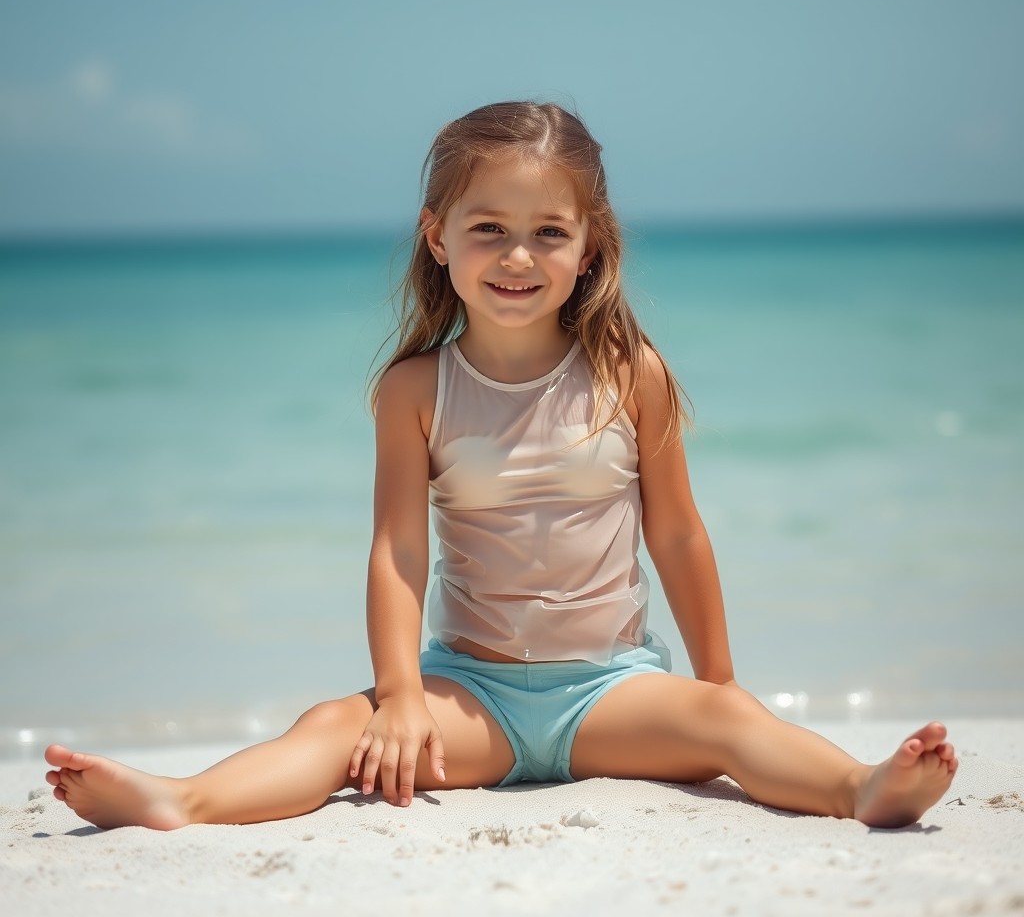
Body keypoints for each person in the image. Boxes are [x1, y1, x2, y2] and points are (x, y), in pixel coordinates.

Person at [44, 101, 957, 831]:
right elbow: (398, 552)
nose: (518, 257)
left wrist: (717, 679)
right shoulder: (412, 390)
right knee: (335, 726)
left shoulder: (631, 373)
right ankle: (181, 800)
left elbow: (676, 531)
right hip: (470, 698)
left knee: (733, 726)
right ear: (437, 237)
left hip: (614, 694)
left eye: (549, 234)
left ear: (588, 246)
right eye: (488, 228)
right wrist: (401, 697)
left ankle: (862, 788)